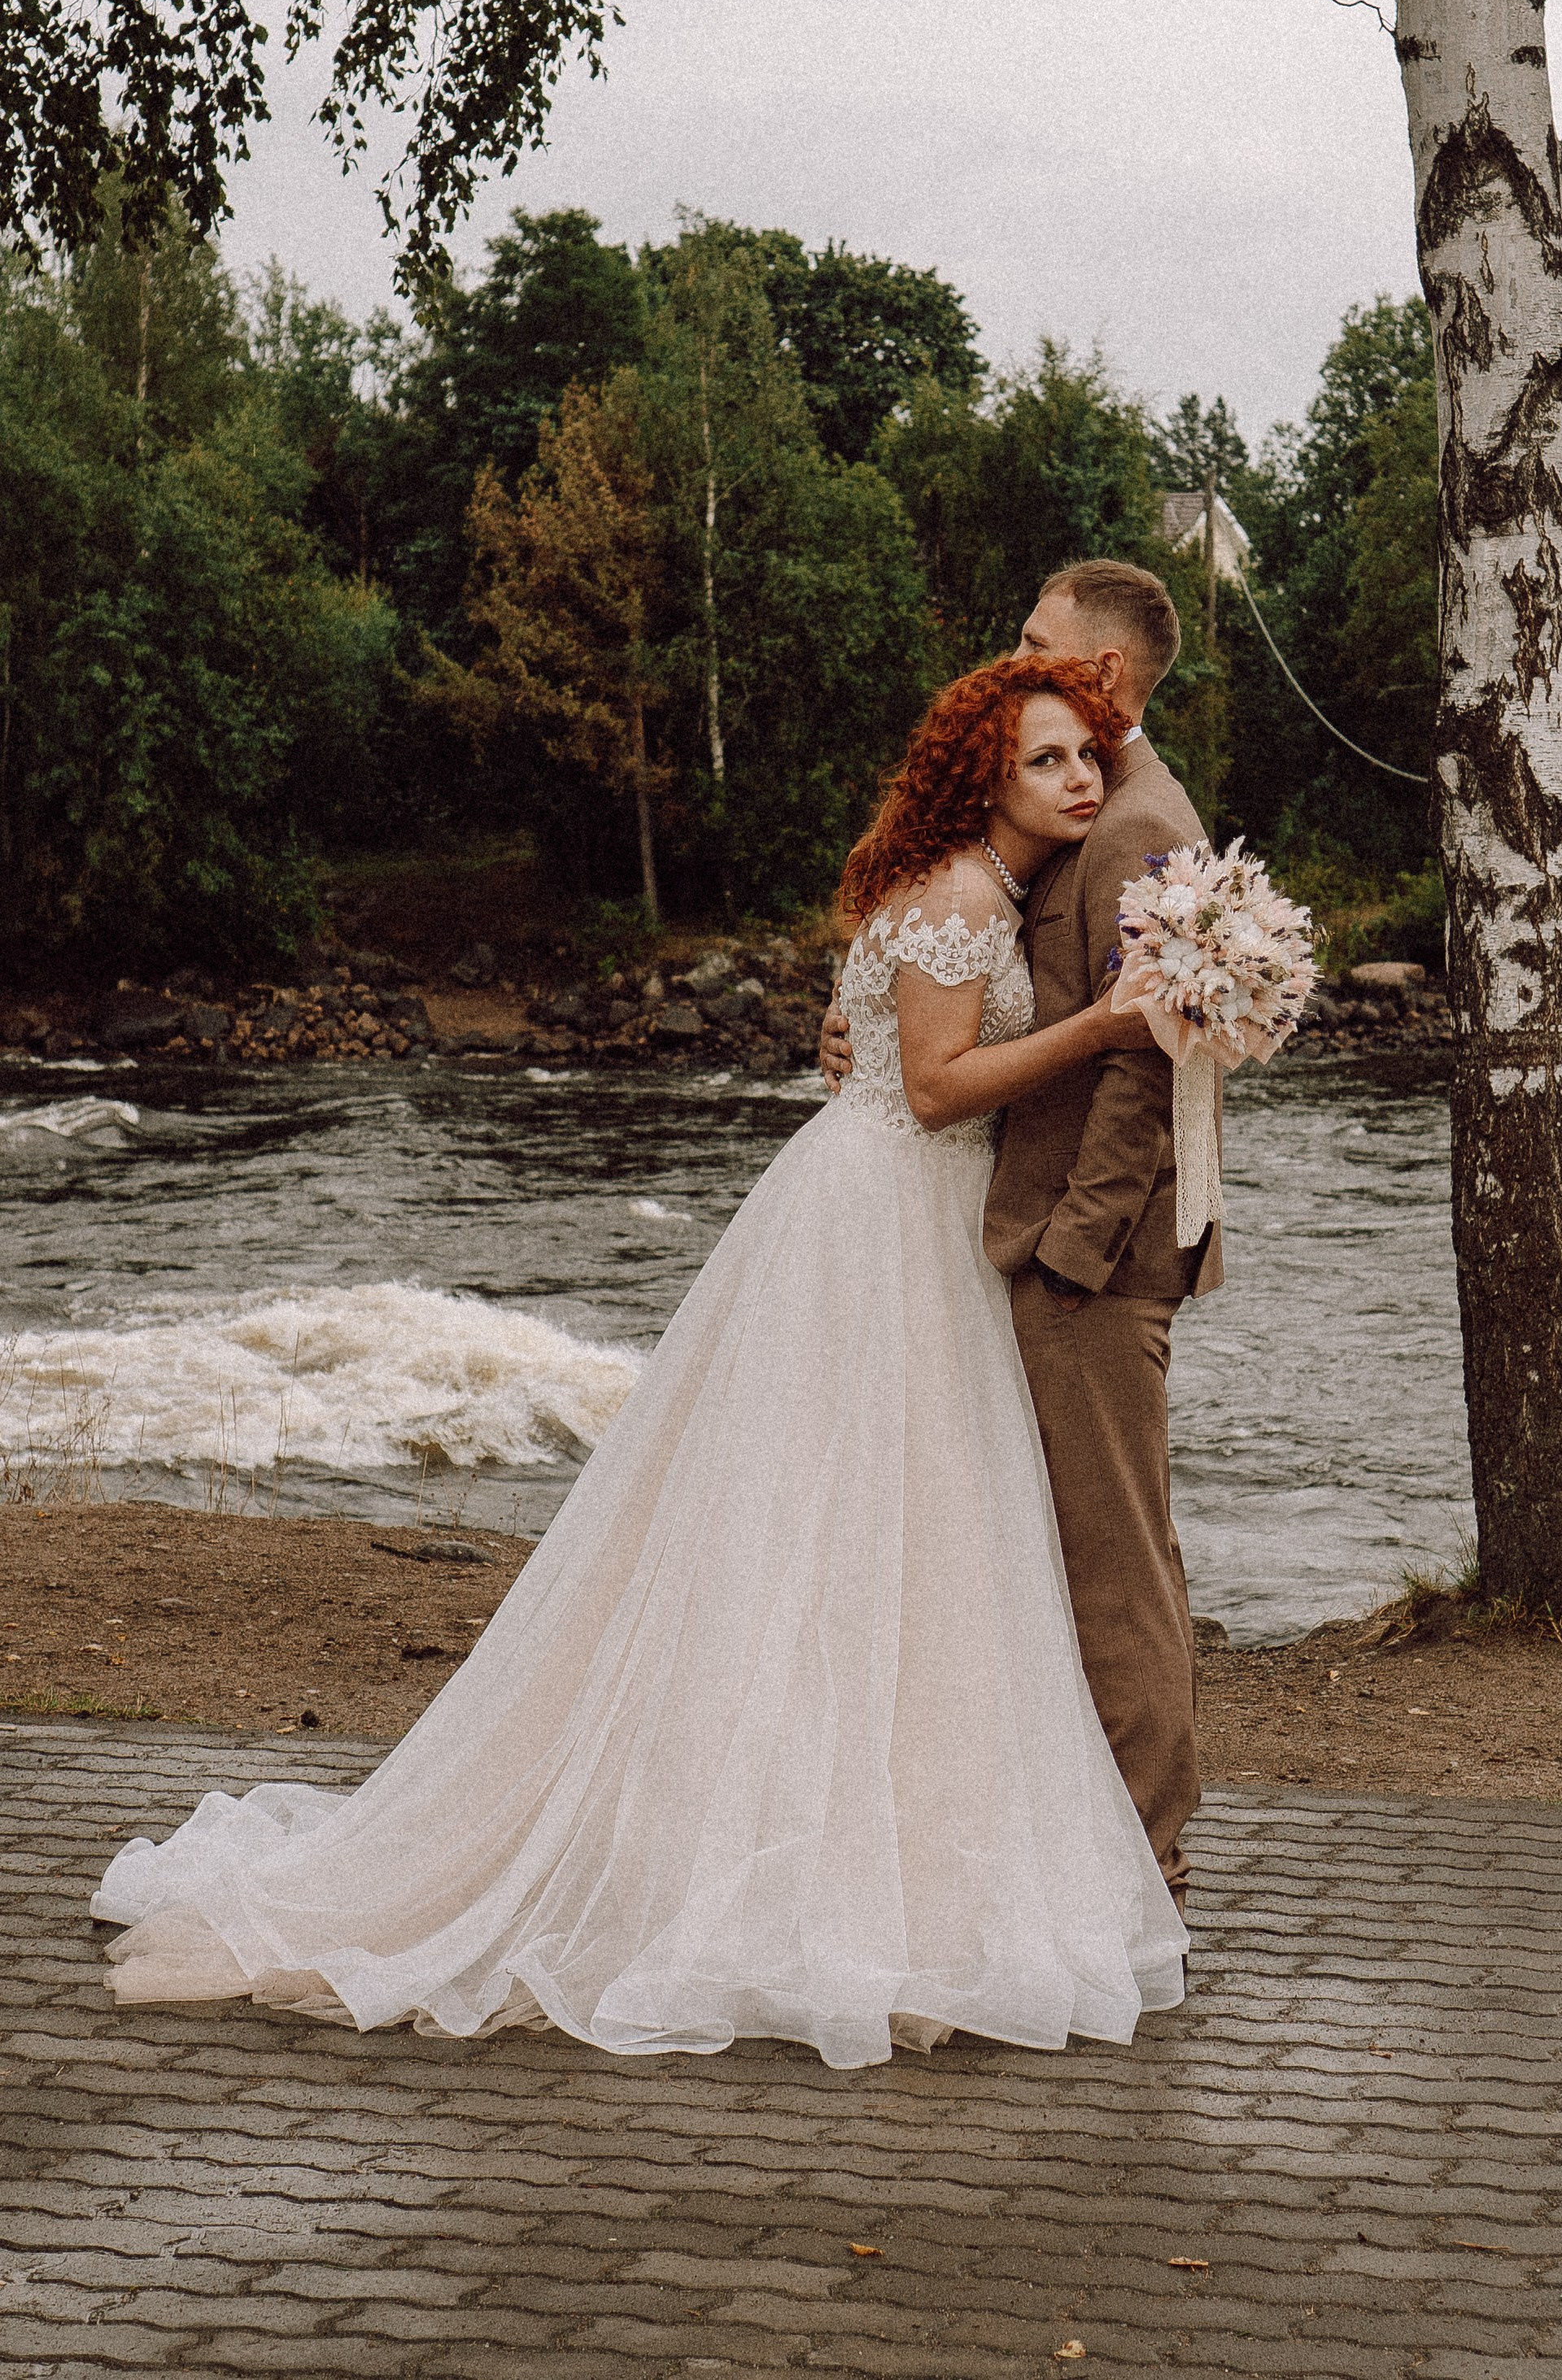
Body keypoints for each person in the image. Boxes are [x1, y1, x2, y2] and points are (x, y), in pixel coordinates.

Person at [90, 658, 1189, 2072]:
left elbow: (884, 1050)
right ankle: (812, 1867)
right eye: (1048, 760)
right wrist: (1099, 1025)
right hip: (884, 1226)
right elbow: (927, 1088)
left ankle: (871, 1841)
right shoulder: (970, 896)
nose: (1081, 780)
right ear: (987, 777)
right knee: (859, 1528)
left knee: (878, 1537)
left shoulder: (968, 884)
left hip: (882, 1213)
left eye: (1086, 756)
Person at [820, 560, 1221, 1907]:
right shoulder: (1079, 813)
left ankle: (1145, 1858)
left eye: (1037, 640)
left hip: (1085, 1254)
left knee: (1115, 1566)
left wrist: (1072, 1252)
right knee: (1068, 1545)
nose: (1013, 653)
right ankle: (1090, 1839)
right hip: (1004, 1223)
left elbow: (1151, 1067)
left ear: (1101, 677)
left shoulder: (1132, 828)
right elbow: (972, 980)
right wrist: (867, 1022)